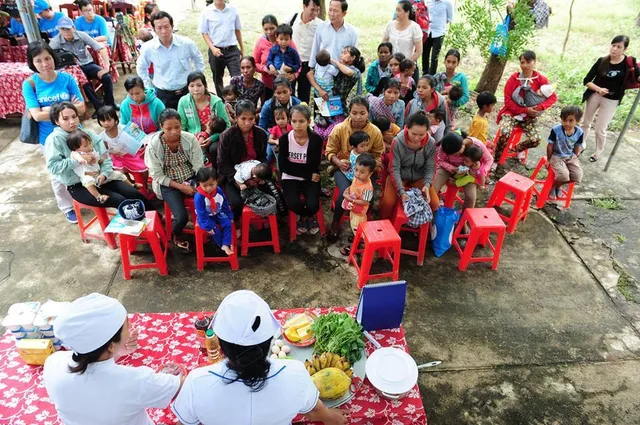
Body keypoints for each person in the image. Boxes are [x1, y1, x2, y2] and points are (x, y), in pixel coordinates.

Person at [171, 290, 348, 425]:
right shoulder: (295, 373)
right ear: (270, 340)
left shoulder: (196, 382)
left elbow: (184, 422)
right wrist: (334, 418)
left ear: (219, 343)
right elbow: (314, 412)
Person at [43, 293, 183, 425]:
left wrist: (117, 352)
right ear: (110, 346)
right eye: (127, 326)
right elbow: (181, 386)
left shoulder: (53, 363)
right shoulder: (134, 380)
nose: (130, 329)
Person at [22, 42, 86, 223]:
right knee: (58, 174)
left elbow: (81, 109)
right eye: (38, 60)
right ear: (32, 63)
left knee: (82, 164)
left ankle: (87, 196)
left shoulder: (67, 79)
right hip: (48, 138)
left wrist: (49, 109)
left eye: (47, 58)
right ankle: (67, 207)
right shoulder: (30, 84)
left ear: (53, 57)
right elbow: (36, 115)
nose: (44, 64)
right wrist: (66, 108)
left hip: (75, 133)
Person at [46, 102, 151, 210]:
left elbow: (105, 156)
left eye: (74, 116)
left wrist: (104, 174)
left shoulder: (87, 134)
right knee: (119, 200)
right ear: (57, 121)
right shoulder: (54, 140)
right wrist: (78, 160)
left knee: (132, 193)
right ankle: (141, 223)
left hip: (101, 177)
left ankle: (157, 219)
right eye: (65, 119)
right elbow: (53, 167)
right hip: (79, 186)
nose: (72, 121)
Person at [325, 96, 384, 241]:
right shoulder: (339, 129)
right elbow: (329, 151)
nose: (358, 117)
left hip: (367, 172)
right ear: (349, 112)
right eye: (354, 112)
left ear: (368, 113)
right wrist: (339, 163)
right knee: (344, 194)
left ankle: (359, 228)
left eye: (362, 113)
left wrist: (368, 166)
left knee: (368, 197)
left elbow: (379, 156)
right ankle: (335, 222)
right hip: (344, 170)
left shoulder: (375, 132)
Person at [145, 109, 204, 251]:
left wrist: (195, 183)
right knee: (182, 217)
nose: (174, 132)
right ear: (161, 127)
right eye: (168, 128)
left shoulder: (189, 139)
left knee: (208, 202)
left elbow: (198, 165)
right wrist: (181, 187)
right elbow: (157, 176)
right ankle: (176, 234)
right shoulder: (154, 145)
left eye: (177, 127)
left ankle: (207, 231)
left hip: (191, 177)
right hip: (168, 183)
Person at [582, 35, 640, 162]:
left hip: (611, 100)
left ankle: (598, 152)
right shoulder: (602, 61)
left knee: (600, 128)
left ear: (625, 49)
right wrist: (598, 89)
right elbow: (586, 81)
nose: (614, 49)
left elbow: (637, 78)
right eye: (613, 45)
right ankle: (581, 144)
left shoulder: (628, 64)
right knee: (585, 123)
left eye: (619, 47)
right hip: (595, 95)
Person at [494, 50, 557, 164]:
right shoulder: (514, 79)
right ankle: (495, 161)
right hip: (511, 114)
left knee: (536, 139)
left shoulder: (540, 79)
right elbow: (507, 101)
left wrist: (539, 107)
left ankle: (517, 149)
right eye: (522, 62)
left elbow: (553, 97)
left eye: (529, 62)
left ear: (534, 62)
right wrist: (524, 110)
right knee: (504, 132)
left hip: (529, 117)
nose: (525, 65)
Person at [137, 11, 205, 110]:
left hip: (186, 91)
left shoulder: (186, 43)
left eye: (166, 27)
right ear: (154, 29)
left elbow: (198, 59)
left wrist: (198, 80)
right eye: (159, 28)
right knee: (168, 123)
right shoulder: (148, 48)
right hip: (163, 94)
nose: (164, 31)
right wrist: (148, 86)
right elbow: (141, 67)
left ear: (172, 26)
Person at [49, 16, 116, 115]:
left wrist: (106, 67)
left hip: (87, 64)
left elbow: (101, 48)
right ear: (58, 29)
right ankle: (99, 108)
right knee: (84, 83)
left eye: (68, 28)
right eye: (62, 29)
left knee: (106, 77)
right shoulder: (55, 42)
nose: (66, 31)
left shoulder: (82, 35)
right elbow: (50, 58)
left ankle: (110, 104)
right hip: (71, 69)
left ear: (73, 27)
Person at [217, 100, 269, 221]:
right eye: (243, 119)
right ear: (236, 117)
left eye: (251, 119)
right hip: (233, 175)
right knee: (236, 203)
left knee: (273, 194)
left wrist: (257, 175)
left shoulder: (260, 134)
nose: (247, 123)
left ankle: (270, 220)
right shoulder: (227, 136)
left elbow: (262, 157)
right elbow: (222, 164)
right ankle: (236, 224)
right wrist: (239, 181)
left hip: (256, 174)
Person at [379, 111, 437, 220]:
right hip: (399, 175)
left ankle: (427, 225)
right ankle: (383, 222)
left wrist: (427, 184)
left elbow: (431, 166)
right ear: (407, 128)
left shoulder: (431, 143)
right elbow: (394, 168)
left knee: (434, 203)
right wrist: (401, 191)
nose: (416, 138)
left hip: (419, 176)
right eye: (414, 134)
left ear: (427, 131)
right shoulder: (397, 141)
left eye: (421, 135)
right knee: (388, 202)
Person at [278, 105, 323, 235]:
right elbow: (283, 166)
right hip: (292, 177)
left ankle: (308, 215)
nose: (297, 125)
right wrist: (307, 175)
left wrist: (297, 169)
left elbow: (314, 164)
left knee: (313, 205)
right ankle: (305, 217)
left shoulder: (315, 140)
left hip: (310, 175)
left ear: (309, 122)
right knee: (293, 203)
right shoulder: (284, 139)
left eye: (302, 121)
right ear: (290, 122)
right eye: (294, 121)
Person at [177, 71, 231, 166]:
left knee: (214, 148)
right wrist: (192, 140)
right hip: (192, 138)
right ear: (188, 87)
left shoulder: (216, 102)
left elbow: (227, 126)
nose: (196, 89)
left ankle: (217, 172)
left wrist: (213, 137)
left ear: (205, 86)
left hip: (214, 137)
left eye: (199, 85)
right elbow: (181, 127)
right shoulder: (183, 102)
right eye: (192, 86)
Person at [67, 130, 134, 204]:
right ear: (76, 148)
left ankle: (132, 185)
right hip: (88, 175)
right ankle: (99, 197)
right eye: (85, 146)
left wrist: (101, 159)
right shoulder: (75, 153)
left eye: (90, 143)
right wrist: (82, 159)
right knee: (87, 182)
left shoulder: (92, 151)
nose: (89, 146)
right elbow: (76, 157)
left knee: (118, 174)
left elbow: (100, 159)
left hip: (99, 175)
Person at [434, 131, 493, 210]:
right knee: (433, 188)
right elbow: (441, 161)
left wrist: (480, 171)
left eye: (457, 153)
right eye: (452, 155)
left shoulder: (477, 145)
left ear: (463, 145)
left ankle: (463, 219)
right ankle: (431, 211)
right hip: (449, 169)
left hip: (470, 173)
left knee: (471, 197)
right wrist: (452, 169)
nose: (456, 156)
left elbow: (489, 160)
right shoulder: (445, 146)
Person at [97, 105, 149, 192]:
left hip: (131, 155)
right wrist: (113, 152)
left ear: (115, 119)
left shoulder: (124, 127)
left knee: (143, 171)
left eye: (109, 120)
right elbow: (106, 151)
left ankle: (145, 185)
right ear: (99, 121)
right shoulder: (102, 136)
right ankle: (130, 184)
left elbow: (138, 137)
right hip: (117, 159)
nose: (106, 123)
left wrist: (135, 128)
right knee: (120, 176)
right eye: (103, 120)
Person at [200, 0, 244, 97]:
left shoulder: (233, 10)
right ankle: (222, 102)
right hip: (216, 50)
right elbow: (204, 33)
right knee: (217, 78)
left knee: (237, 78)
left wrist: (241, 49)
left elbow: (237, 30)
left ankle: (237, 101)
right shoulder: (207, 11)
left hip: (232, 49)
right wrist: (212, 48)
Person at [259, 78, 301, 163]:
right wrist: (273, 138)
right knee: (268, 156)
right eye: (278, 93)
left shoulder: (297, 104)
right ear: (274, 93)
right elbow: (262, 127)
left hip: (294, 135)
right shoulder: (268, 106)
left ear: (290, 90)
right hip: (274, 137)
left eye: (285, 92)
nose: (282, 96)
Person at [287, 0, 322, 103]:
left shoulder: (320, 25)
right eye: (312, 9)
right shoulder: (292, 18)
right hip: (291, 64)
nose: (315, 13)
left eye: (317, 10)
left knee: (304, 95)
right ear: (304, 7)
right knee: (289, 94)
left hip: (307, 65)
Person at [547, 106, 584, 201]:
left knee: (577, 176)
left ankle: (557, 186)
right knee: (564, 175)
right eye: (564, 120)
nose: (566, 123)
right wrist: (548, 160)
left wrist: (575, 157)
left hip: (570, 156)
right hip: (556, 156)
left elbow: (577, 145)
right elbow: (550, 145)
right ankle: (552, 187)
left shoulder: (579, 132)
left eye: (571, 121)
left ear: (577, 121)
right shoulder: (556, 130)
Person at [340, 153, 375, 255]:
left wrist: (351, 200)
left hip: (360, 213)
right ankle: (357, 238)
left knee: (358, 228)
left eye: (362, 172)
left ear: (370, 174)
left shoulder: (368, 188)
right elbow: (352, 185)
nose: (358, 173)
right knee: (353, 225)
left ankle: (356, 247)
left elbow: (365, 202)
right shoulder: (357, 178)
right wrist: (347, 190)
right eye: (356, 170)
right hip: (353, 209)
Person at [194, 167, 234, 255]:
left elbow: (224, 203)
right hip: (205, 217)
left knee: (228, 223)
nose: (208, 188)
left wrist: (229, 215)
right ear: (199, 183)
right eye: (205, 185)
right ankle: (223, 245)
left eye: (212, 184)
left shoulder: (218, 190)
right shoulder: (199, 197)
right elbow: (201, 213)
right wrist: (207, 226)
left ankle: (226, 243)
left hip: (217, 212)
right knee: (214, 229)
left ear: (217, 181)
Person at [308, 0, 358, 69]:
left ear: (344, 13)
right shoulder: (321, 27)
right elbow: (315, 49)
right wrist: (311, 68)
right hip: (323, 71)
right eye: (330, 10)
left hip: (342, 73)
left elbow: (354, 58)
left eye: (335, 11)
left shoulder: (352, 32)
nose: (331, 14)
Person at [383, 1, 422, 78]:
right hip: (392, 68)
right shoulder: (390, 25)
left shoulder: (415, 27)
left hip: (408, 69)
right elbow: (384, 44)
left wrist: (405, 65)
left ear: (407, 12)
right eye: (396, 10)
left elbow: (418, 51)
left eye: (399, 10)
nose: (396, 13)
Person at [433, 49, 470, 119]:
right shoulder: (438, 76)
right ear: (444, 61)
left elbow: (465, 96)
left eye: (454, 62)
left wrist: (452, 102)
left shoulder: (461, 78)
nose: (450, 65)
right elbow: (430, 90)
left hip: (450, 113)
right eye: (448, 61)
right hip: (434, 111)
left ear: (458, 63)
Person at [424, 0, 454, 75]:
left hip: (439, 33)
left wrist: (440, 25)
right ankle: (425, 74)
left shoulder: (447, 3)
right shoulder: (429, 2)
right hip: (427, 32)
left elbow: (449, 19)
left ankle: (432, 76)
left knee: (434, 57)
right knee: (425, 54)